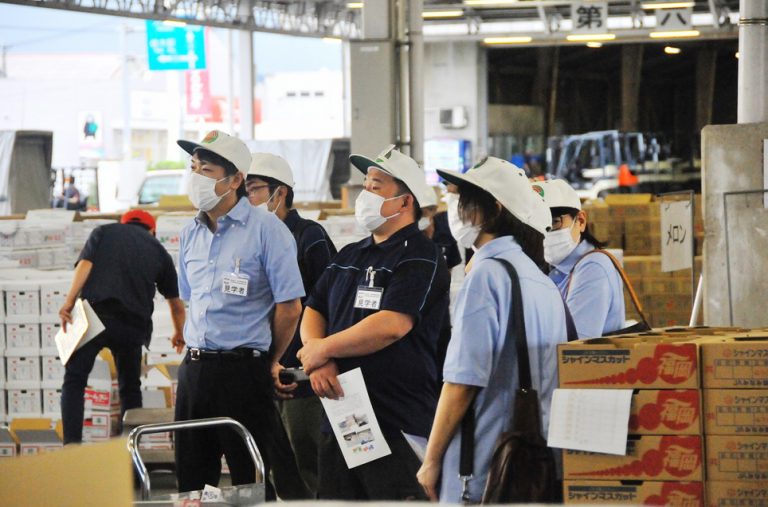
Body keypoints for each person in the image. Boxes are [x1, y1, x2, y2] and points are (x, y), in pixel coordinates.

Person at [296, 145, 451, 501]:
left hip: (395, 418)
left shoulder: (421, 256)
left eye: (376, 186)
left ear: (405, 201)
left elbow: (392, 325)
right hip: (343, 414)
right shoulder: (350, 254)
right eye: (365, 185)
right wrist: (319, 358)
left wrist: (322, 349)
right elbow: (314, 309)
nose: (365, 193)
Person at [416, 157, 568, 503]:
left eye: (463, 200)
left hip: (483, 468)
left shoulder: (487, 276)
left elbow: (462, 382)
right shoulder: (540, 280)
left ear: (494, 209)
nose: (456, 210)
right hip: (530, 463)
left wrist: (431, 459)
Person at [174, 131, 304, 494]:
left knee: (250, 482)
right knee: (191, 484)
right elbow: (190, 299)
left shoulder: (268, 231)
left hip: (243, 373)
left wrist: (269, 359)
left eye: (206, 170)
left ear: (235, 180)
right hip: (194, 370)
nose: (196, 177)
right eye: (193, 167)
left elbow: (290, 307)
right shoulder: (190, 233)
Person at [246, 152, 337, 498]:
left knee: (306, 457)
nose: (248, 198)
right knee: (275, 462)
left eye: (254, 189)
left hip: (301, 371)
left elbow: (328, 301)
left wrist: (319, 356)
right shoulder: (252, 237)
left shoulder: (309, 236)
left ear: (279, 192)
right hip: (263, 366)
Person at [59, 209, 185, 444]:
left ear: (124, 223)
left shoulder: (103, 232)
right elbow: (176, 305)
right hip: (132, 325)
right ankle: (131, 453)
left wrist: (69, 302)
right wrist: (179, 332)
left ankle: (71, 446)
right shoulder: (159, 250)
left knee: (75, 380)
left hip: (94, 315)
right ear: (152, 230)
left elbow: (85, 265)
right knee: (130, 388)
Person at [534, 179, 625, 338]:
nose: (545, 233)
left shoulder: (593, 267)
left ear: (581, 221)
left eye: (554, 222)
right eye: (538, 224)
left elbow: (574, 344)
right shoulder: (556, 270)